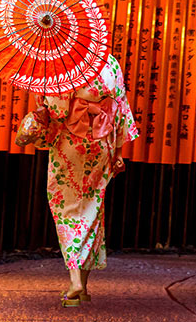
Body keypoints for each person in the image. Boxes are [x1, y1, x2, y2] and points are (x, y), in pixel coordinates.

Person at [13, 54, 139, 307]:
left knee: (67, 209)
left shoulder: (63, 65)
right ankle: (83, 286)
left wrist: (43, 98)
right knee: (93, 207)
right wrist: (117, 154)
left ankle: (75, 280)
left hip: (71, 143)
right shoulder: (111, 63)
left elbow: (57, 110)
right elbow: (120, 109)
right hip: (102, 144)